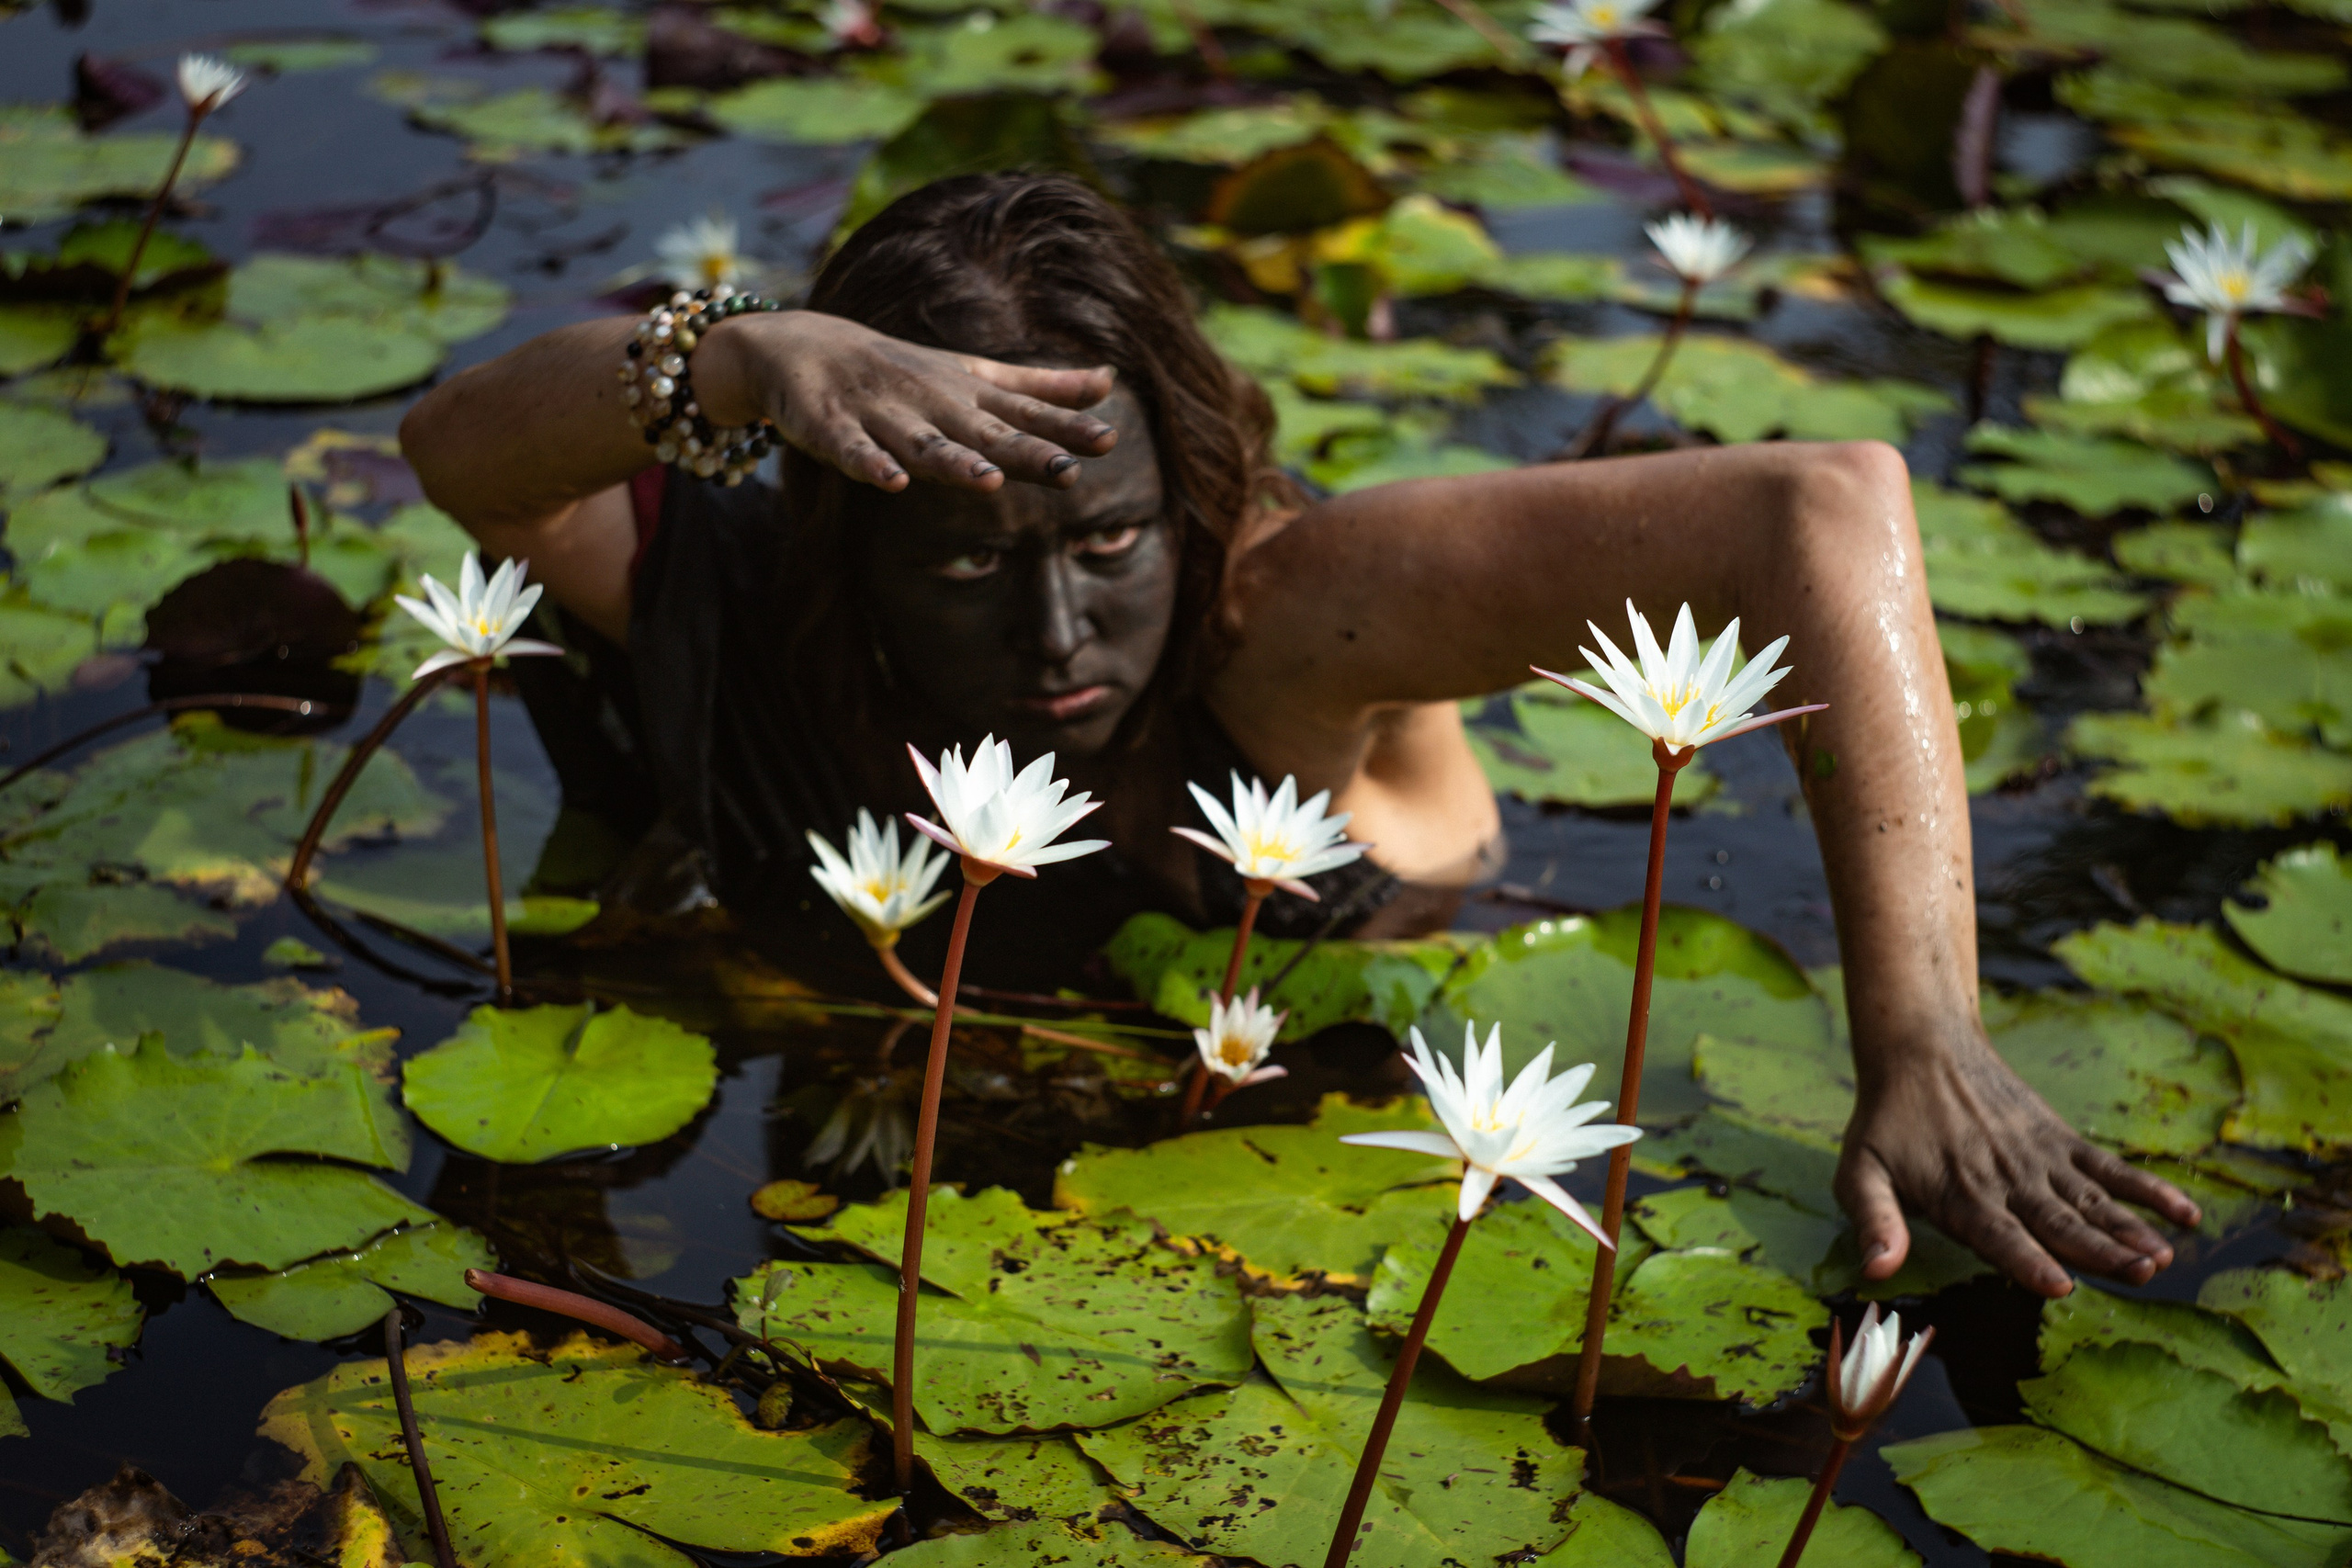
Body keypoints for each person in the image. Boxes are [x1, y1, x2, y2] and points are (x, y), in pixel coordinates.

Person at [401, 171, 2199, 1302]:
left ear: (1193, 499)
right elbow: (458, 454)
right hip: (874, 1172)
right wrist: (731, 361)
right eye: (961, 558)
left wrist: (1923, 1030)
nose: (1055, 639)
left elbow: (1821, 512)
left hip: (1331, 1138)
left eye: (1110, 543)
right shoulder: (734, 594)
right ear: (840, 536)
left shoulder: (1292, 616)